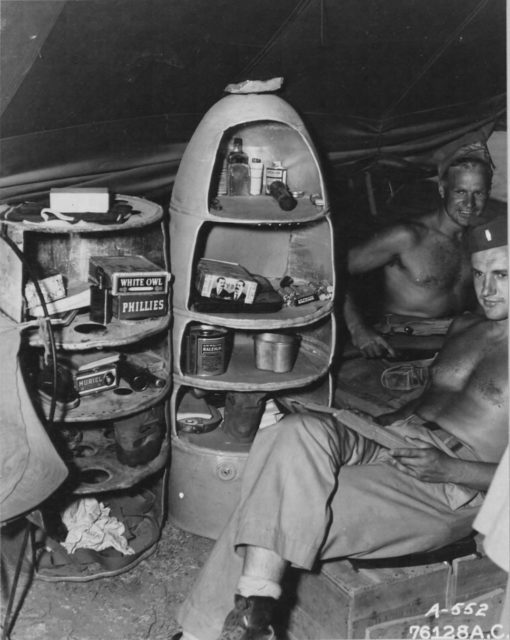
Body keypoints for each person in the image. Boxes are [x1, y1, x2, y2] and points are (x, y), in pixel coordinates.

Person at [173, 215, 508, 640]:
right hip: (399, 437)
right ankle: (253, 619)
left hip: (453, 486)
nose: (486, 289)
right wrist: (374, 424)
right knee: (293, 433)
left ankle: (213, 629)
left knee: (282, 506)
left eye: (501, 275)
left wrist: (449, 468)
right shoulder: (466, 325)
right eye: (479, 274)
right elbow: (438, 399)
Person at [344, 151, 493, 358]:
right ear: (443, 190)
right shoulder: (407, 236)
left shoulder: (479, 240)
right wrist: (358, 329)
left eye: (478, 193)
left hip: (453, 341)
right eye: (460, 192)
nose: (469, 203)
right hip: (400, 345)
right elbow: (333, 271)